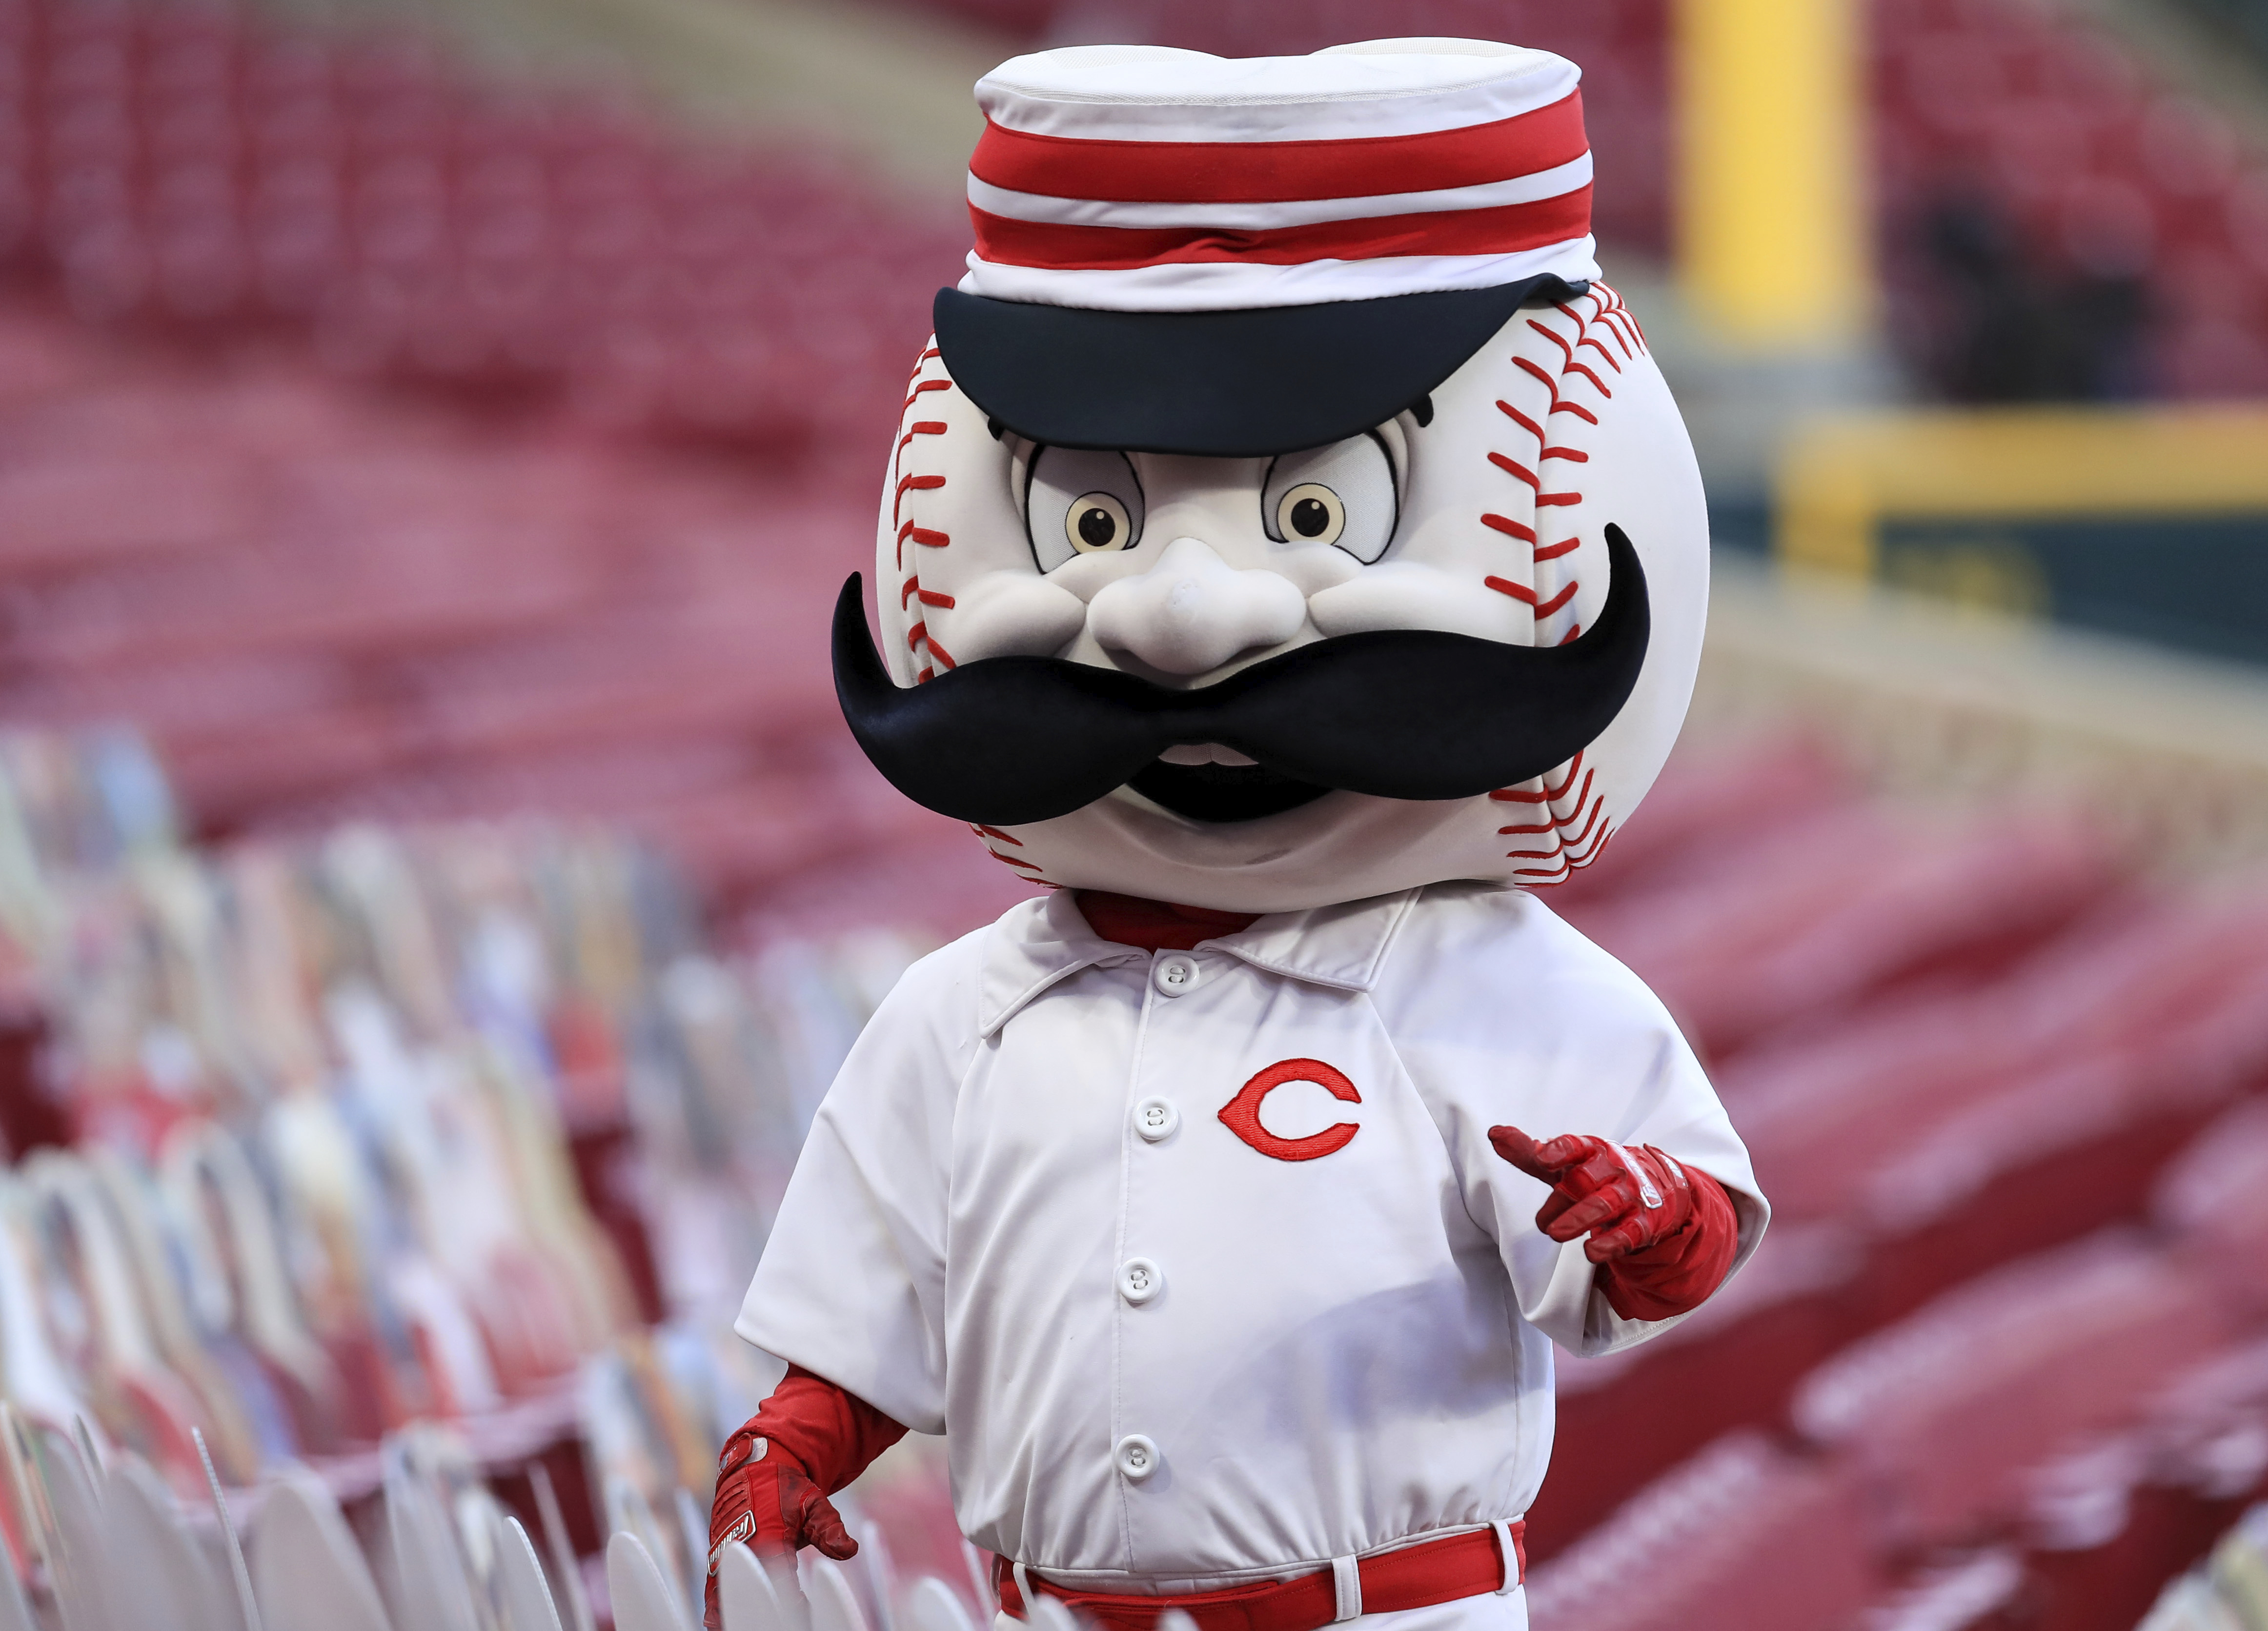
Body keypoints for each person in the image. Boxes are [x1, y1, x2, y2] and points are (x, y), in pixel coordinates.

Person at [709, 39, 1766, 1631]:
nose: (1182, 621)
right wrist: (801, 1437)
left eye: (1318, 514)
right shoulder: (963, 1013)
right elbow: (889, 1286)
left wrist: (1646, 1224)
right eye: (1091, 523)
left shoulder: (1471, 978)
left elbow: (1670, 1239)